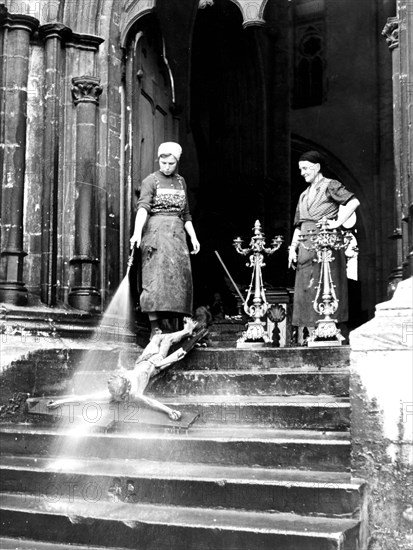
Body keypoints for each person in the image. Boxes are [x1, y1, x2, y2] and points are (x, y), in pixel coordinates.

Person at [47, 318, 205, 421]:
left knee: (158, 337)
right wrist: (61, 402)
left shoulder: (127, 393)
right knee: (165, 339)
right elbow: (86, 398)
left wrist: (168, 411)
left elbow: (86, 399)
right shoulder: (126, 393)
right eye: (116, 397)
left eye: (117, 396)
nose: (116, 399)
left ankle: (186, 332)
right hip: (154, 363)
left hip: (147, 361)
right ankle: (186, 331)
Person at [130, 142, 200, 337]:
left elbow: (186, 214)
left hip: (177, 235)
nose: (167, 166)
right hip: (156, 234)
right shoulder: (150, 181)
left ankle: (177, 327)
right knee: (154, 281)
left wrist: (193, 237)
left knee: (179, 280)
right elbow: (143, 208)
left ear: (177, 162)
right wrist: (137, 233)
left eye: (171, 163)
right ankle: (155, 328)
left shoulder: (181, 182)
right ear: (158, 160)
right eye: (163, 162)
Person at [288, 150, 360, 340]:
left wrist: (337, 223)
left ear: (317, 167)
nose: (302, 172)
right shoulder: (303, 195)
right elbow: (299, 223)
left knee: (327, 284)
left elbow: (354, 202)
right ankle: (311, 333)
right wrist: (292, 248)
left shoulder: (330, 185)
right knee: (306, 288)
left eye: (305, 168)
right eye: (300, 169)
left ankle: (330, 331)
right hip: (305, 245)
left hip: (326, 243)